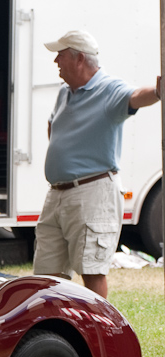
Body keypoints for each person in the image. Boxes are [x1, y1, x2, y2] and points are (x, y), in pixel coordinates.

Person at [34, 30, 160, 299]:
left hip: (92, 192)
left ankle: (100, 336)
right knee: (46, 276)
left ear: (79, 58)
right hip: (57, 193)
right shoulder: (64, 93)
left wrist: (159, 91)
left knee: (91, 270)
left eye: (61, 55)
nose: (56, 61)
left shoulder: (109, 89)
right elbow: (52, 125)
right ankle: (56, 334)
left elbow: (136, 96)